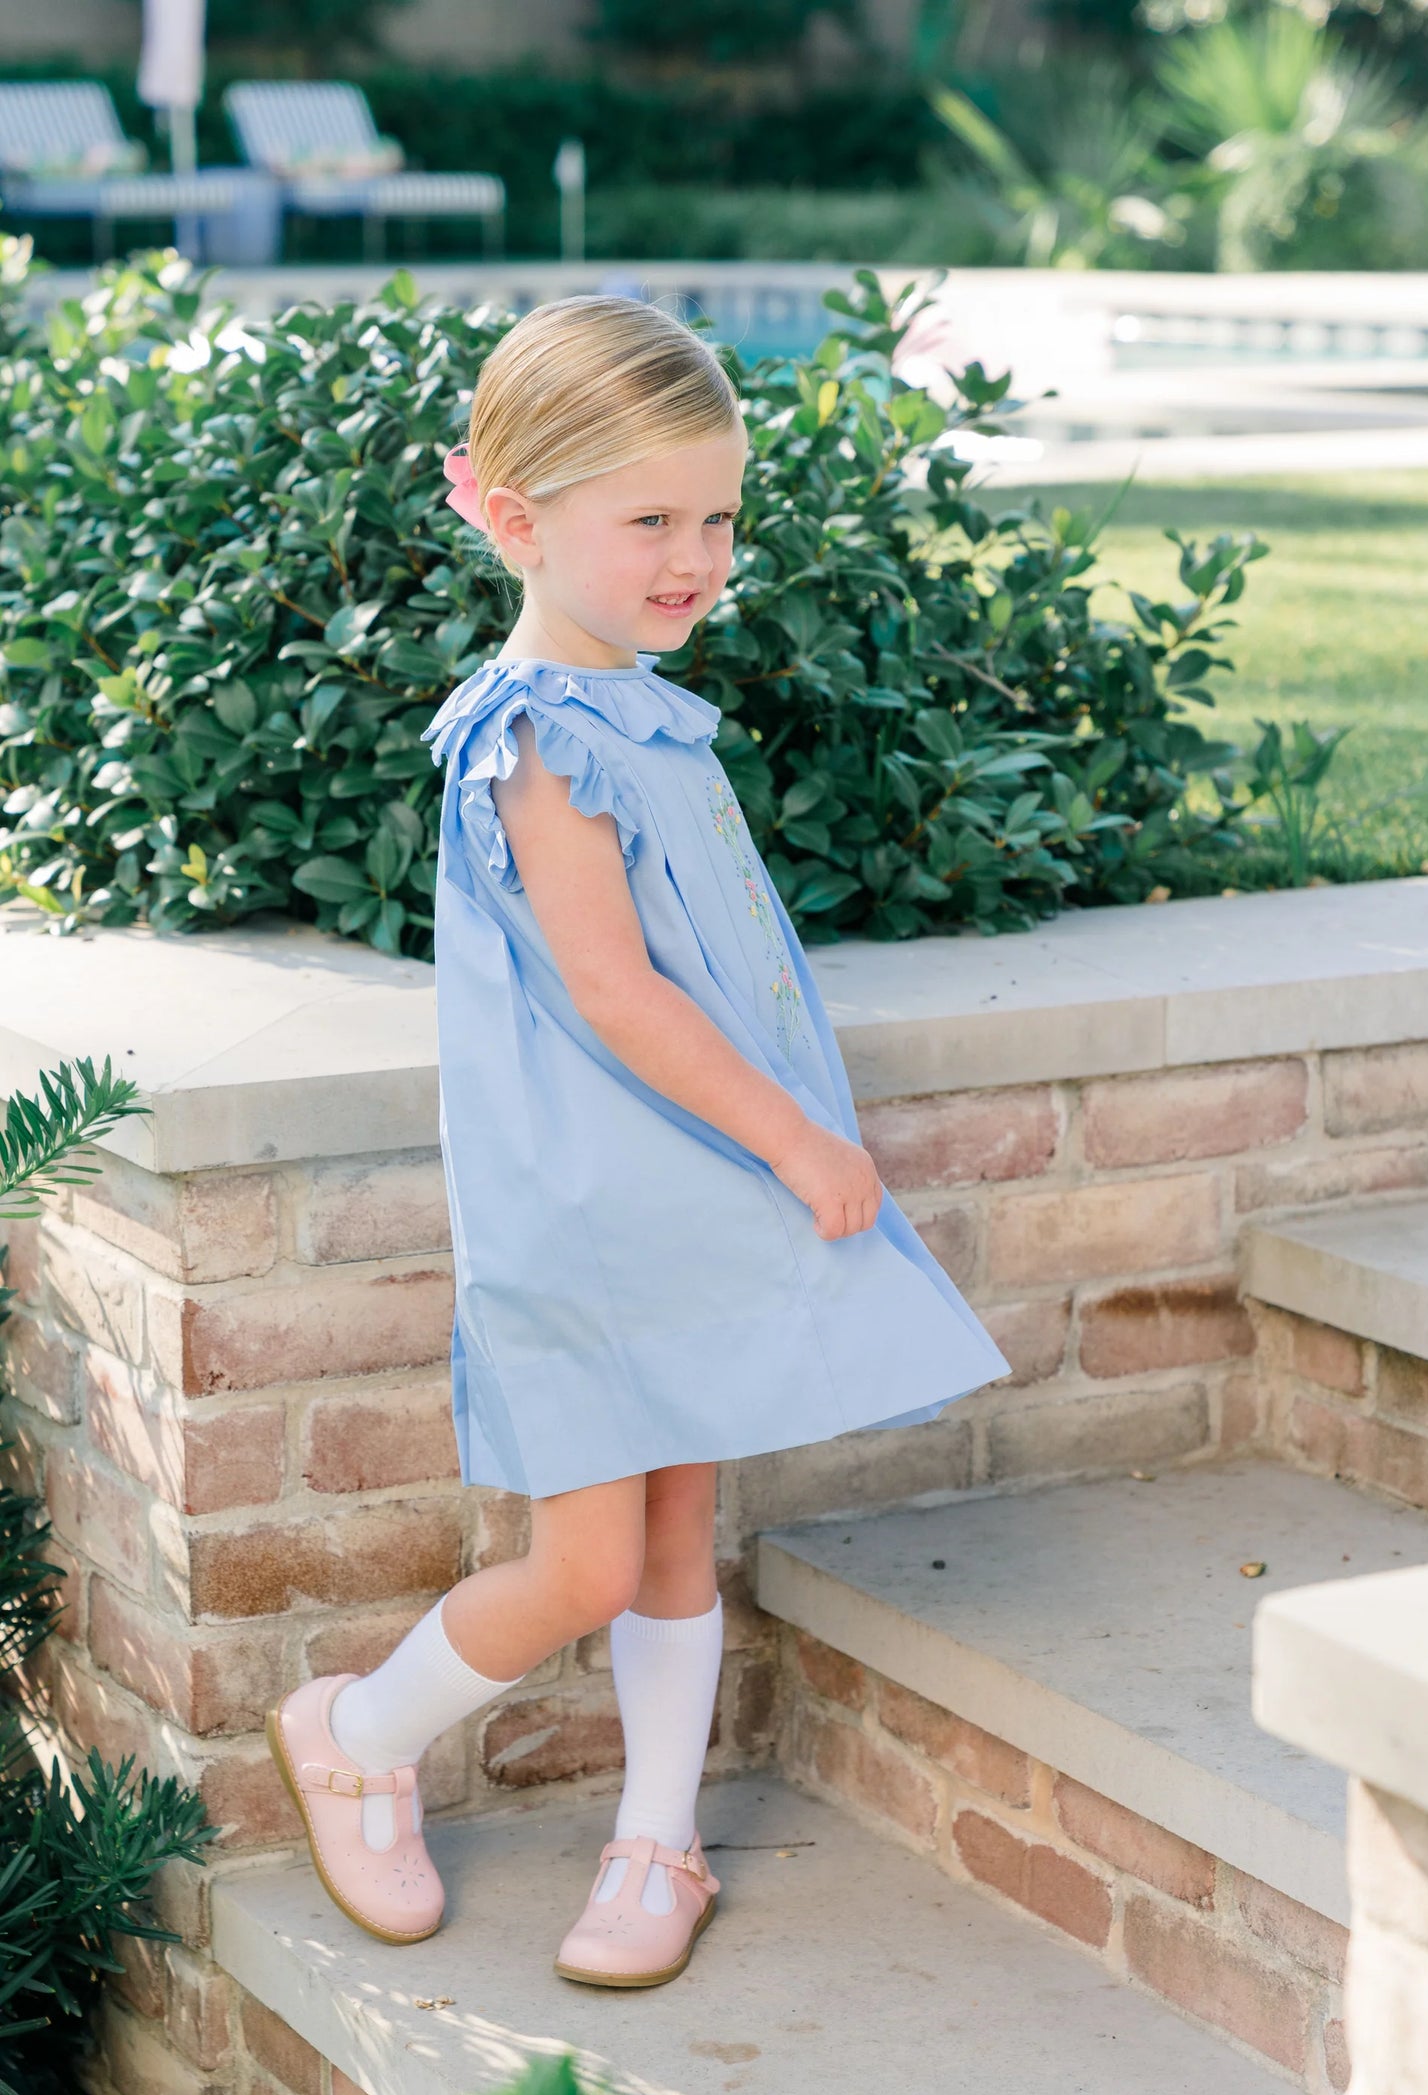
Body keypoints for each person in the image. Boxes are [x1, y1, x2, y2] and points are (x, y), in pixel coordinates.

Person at [266, 295, 1010, 1990]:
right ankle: (357, 1727)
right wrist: (802, 1141)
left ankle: (653, 1842)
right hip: (592, 1212)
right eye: (650, 521)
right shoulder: (537, 733)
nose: (695, 557)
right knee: (588, 1556)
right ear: (518, 519)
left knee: (678, 1536)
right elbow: (614, 997)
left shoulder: (645, 710)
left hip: (680, 1196)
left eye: (717, 517)